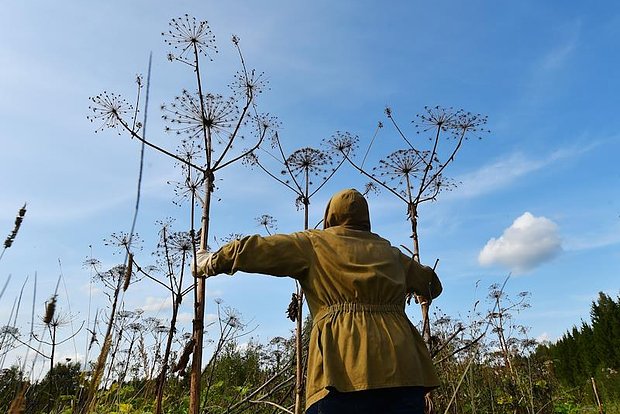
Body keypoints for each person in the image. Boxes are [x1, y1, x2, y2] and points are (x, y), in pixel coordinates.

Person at [193, 188, 442, 414]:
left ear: (330, 216)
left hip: (344, 371)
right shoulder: (393, 254)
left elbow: (257, 249)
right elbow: (432, 284)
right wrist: (417, 292)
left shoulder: (314, 244)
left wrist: (212, 261)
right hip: (406, 373)